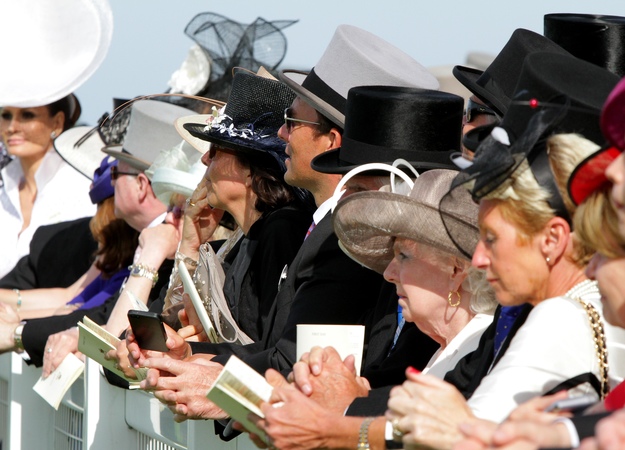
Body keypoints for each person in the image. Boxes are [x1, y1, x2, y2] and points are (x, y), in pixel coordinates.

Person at [127, 24, 442, 424]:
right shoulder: (322, 229)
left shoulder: (342, 237)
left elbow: (294, 362)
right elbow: (284, 353)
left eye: (292, 122)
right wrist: (190, 359)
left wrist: (203, 372)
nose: (281, 133)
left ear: (331, 140)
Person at [384, 52, 625, 450]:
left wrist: (462, 430)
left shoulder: (560, 315)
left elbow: (470, 436)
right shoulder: (538, 309)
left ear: (552, 239)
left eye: (492, 238)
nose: (476, 258)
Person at [241, 168, 498, 450]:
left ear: (455, 269)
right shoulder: (451, 349)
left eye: (403, 256)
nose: (388, 273)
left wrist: (351, 404)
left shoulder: (482, 348)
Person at [167, 68, 313, 343]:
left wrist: (200, 352)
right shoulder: (248, 237)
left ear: (251, 171)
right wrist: (190, 245)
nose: (205, 161)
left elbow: (265, 342)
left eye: (216, 151)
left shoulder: (281, 229)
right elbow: (174, 318)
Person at [0, 157, 136, 320]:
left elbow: (75, 312)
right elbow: (69, 296)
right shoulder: (111, 257)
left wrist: (15, 320)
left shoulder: (128, 273)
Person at [0, 94, 95, 277]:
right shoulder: (5, 190)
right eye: (6, 116)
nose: (12, 127)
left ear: (57, 123)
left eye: (27, 115)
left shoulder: (81, 187)